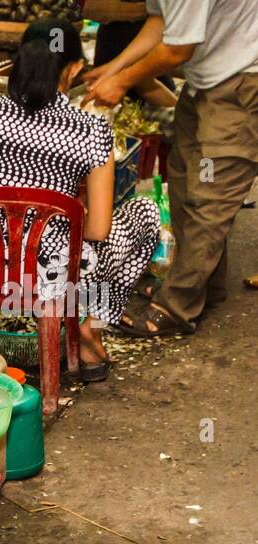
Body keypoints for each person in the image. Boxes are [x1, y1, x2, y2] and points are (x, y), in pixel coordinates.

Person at [0, 19, 161, 381]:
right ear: (72, 68)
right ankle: (90, 323)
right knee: (145, 214)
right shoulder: (91, 130)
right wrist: (65, 218)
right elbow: (99, 229)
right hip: (57, 280)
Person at [83, 0, 258, 335]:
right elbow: (160, 22)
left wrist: (122, 82)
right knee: (184, 180)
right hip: (207, 83)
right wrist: (115, 68)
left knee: (209, 194)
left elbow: (177, 50)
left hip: (237, 88)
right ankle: (202, 285)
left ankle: (177, 306)